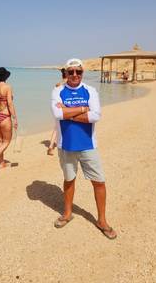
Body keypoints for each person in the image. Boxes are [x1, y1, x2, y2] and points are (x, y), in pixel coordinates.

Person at [50, 58, 117, 240]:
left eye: (78, 72)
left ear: (82, 73)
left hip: (88, 145)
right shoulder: (58, 91)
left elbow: (95, 116)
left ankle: (102, 220)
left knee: (99, 181)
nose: (74, 75)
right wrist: (82, 108)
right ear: (66, 72)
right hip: (66, 145)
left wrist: (68, 113)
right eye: (71, 71)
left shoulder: (90, 90)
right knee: (69, 179)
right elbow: (57, 113)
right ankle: (67, 213)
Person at [47, 68, 67, 155]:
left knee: (57, 127)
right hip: (63, 107)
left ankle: (51, 146)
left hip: (56, 107)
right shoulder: (67, 84)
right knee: (61, 127)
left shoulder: (58, 84)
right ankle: (53, 146)